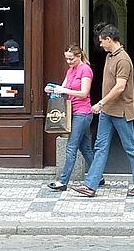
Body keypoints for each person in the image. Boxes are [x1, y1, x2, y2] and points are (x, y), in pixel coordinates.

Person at [72, 24, 134, 198]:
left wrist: (101, 103)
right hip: (107, 111)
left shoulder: (123, 60)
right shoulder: (110, 56)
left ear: (109, 39)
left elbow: (120, 87)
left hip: (120, 112)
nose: (100, 45)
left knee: (131, 147)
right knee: (100, 147)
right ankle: (91, 186)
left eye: (101, 41)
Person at [45, 45, 104, 191]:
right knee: (84, 148)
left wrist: (63, 90)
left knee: (71, 147)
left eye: (71, 59)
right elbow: (63, 89)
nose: (69, 62)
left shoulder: (86, 70)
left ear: (79, 56)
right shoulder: (70, 70)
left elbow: (84, 93)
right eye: (66, 59)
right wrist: (52, 88)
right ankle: (99, 177)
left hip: (82, 113)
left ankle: (63, 181)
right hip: (74, 112)